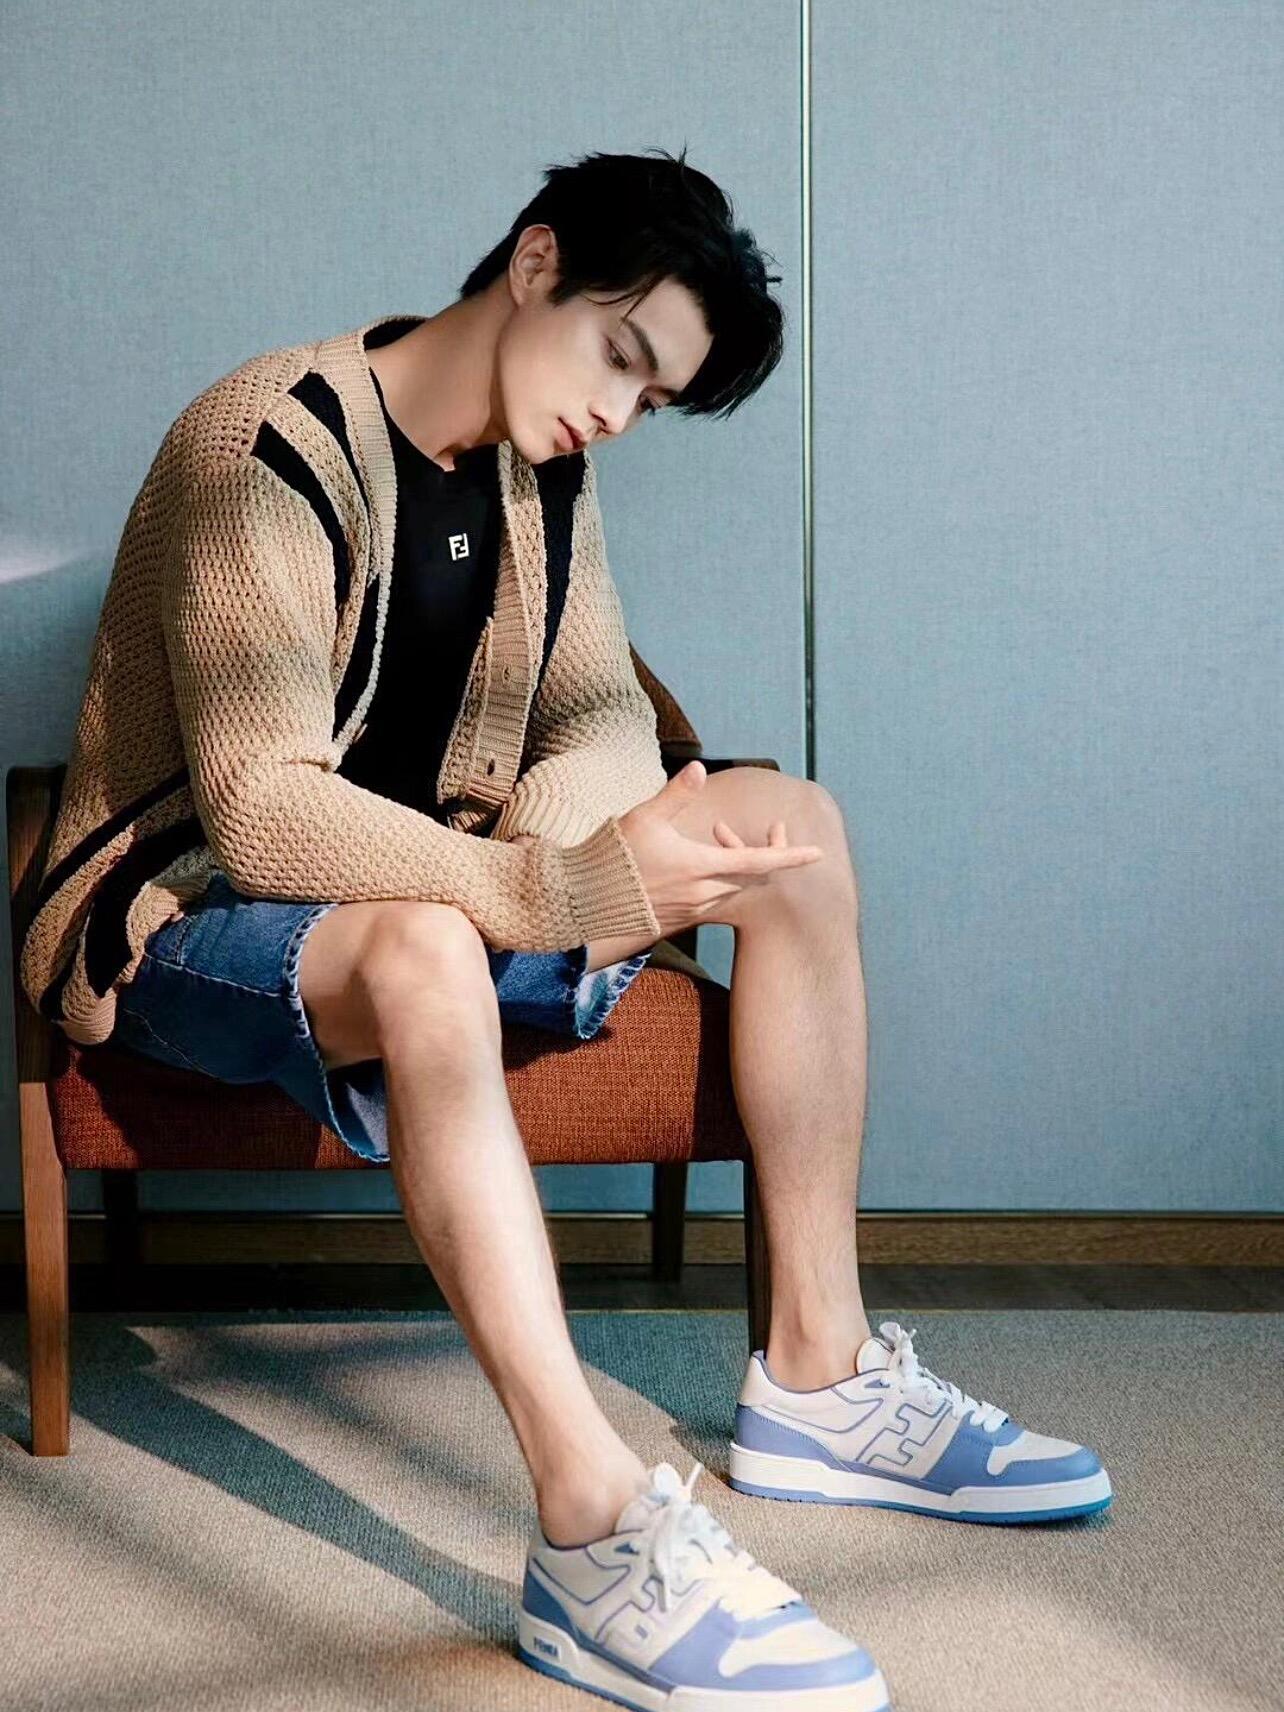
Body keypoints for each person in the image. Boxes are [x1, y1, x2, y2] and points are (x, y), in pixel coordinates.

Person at [21, 147, 1110, 1712]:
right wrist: (561, 892)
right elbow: (260, 812)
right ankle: (593, 1529)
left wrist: (585, 845)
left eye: (651, 397)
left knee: (794, 832)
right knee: (423, 947)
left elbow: (598, 709)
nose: (618, 412)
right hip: (187, 911)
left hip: (457, 886)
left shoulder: (546, 477)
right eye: (619, 355)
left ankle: (818, 1375)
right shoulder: (264, 439)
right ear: (534, 263)